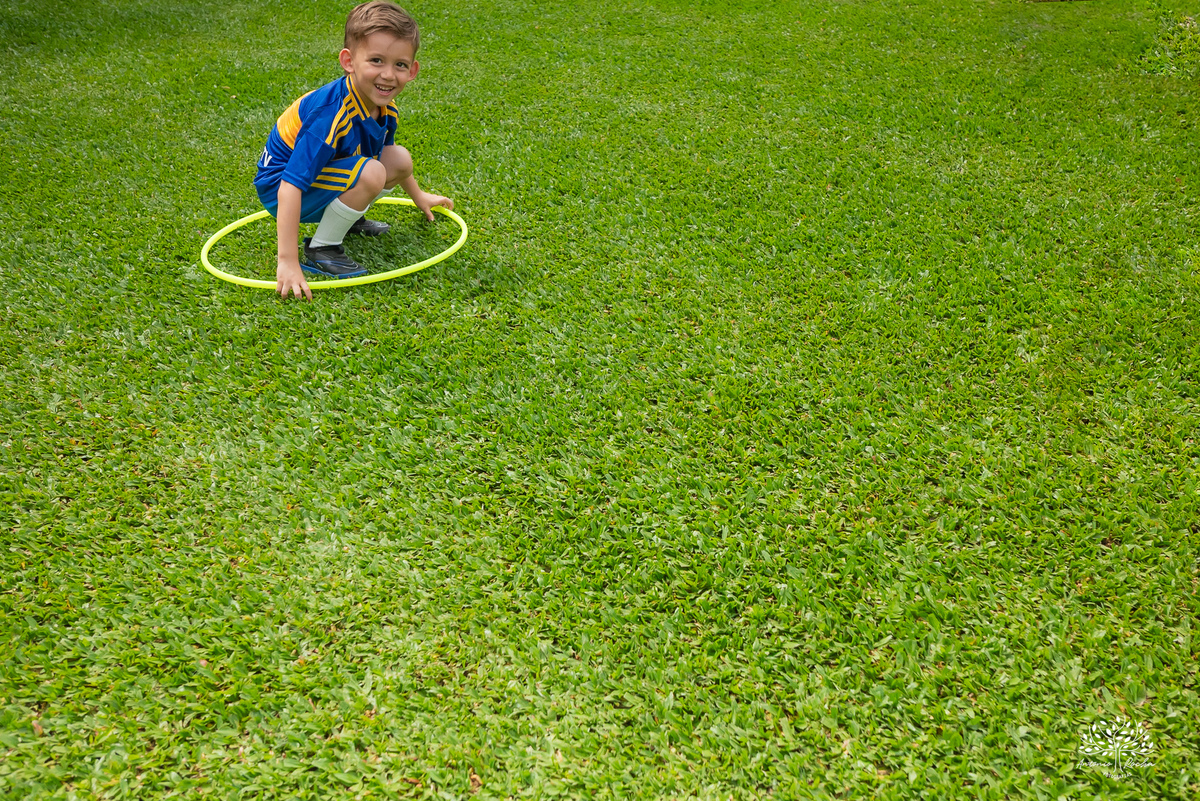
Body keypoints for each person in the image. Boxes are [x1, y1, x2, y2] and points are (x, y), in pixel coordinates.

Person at [254, 0, 453, 300]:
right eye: (376, 60)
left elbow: (389, 155)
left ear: (412, 70)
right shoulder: (331, 114)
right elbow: (289, 186)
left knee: (398, 159)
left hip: (320, 175)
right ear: (348, 61)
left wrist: (418, 196)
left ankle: (346, 217)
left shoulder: (385, 107)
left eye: (399, 65)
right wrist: (287, 262)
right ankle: (321, 248)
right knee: (371, 172)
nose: (388, 75)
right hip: (279, 187)